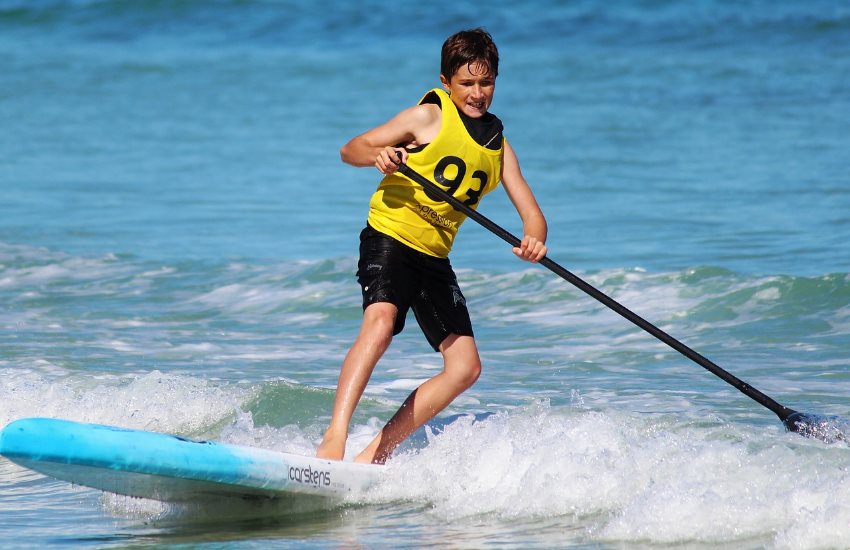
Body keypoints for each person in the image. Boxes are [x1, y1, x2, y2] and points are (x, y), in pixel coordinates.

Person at [317, 28, 548, 464]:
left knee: (465, 368)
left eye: (486, 82)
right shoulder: (428, 117)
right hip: (390, 237)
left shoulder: (499, 148)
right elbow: (351, 149)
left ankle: (375, 455)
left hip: (434, 257)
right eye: (467, 83)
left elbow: (532, 214)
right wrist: (379, 156)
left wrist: (535, 239)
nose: (477, 93)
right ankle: (334, 438)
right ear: (446, 82)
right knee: (380, 324)